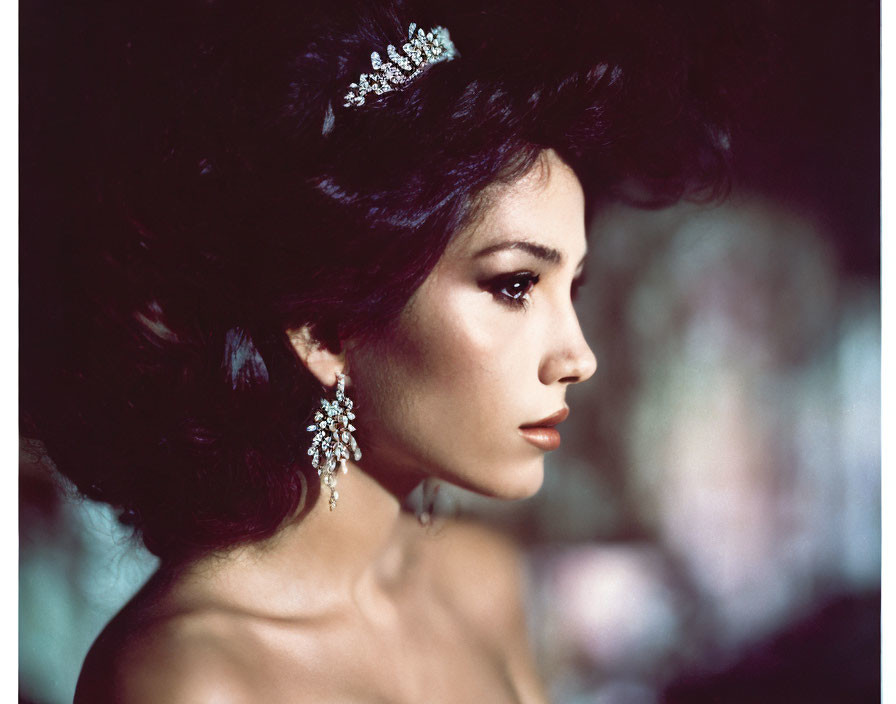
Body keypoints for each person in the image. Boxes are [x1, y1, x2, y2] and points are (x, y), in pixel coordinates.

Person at [20, 0, 730, 700]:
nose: (578, 357)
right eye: (514, 285)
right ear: (322, 328)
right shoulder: (190, 678)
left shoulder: (479, 584)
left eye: (569, 288)